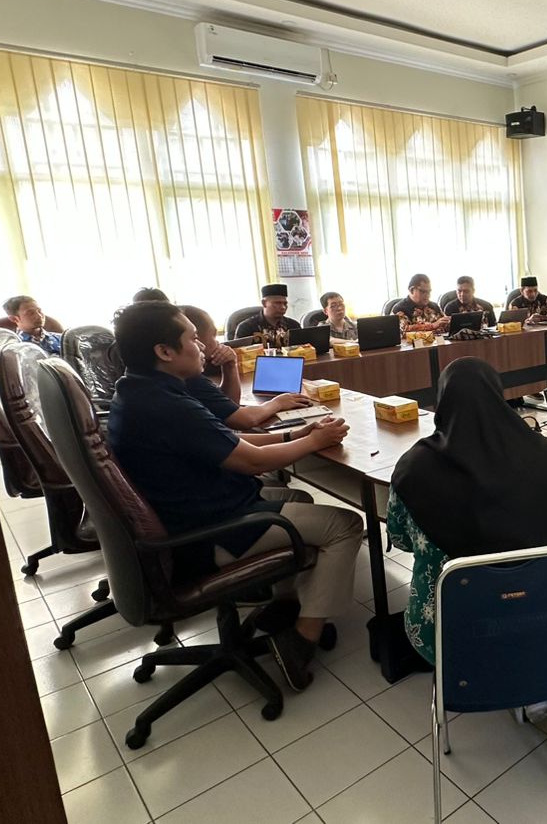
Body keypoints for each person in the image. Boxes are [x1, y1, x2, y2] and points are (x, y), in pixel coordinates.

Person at [106, 301, 364, 691]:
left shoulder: (140, 391)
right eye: (193, 338)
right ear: (165, 351)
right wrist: (314, 441)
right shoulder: (167, 406)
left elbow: (229, 440)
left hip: (191, 516)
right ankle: (301, 640)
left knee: (299, 501)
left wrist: (296, 435)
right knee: (345, 525)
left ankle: (285, 607)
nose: (202, 346)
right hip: (209, 534)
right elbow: (250, 461)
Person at [386, 358, 547, 677]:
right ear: (500, 397)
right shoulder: (543, 453)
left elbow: (400, 538)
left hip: (450, 628)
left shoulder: (414, 467)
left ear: (442, 402)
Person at [181, 305, 312, 429]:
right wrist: (278, 403)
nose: (218, 343)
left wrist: (230, 366)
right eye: (214, 336)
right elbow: (243, 419)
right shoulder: (191, 380)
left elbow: (229, 407)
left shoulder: (191, 378)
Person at [233, 283, 302, 342]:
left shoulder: (293, 326)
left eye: (285, 304)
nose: (283, 307)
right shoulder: (246, 328)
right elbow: (238, 352)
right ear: (264, 303)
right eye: (277, 303)